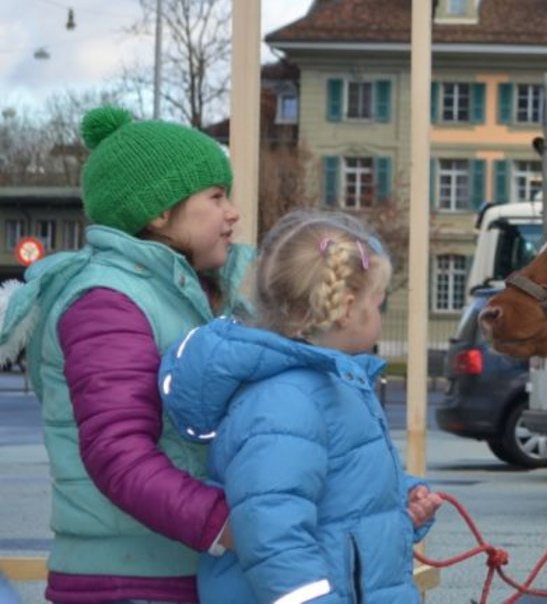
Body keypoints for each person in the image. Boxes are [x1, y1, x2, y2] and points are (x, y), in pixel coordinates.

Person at [0, 105, 247, 604]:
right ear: (159, 212)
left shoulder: (183, 293)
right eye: (216, 196)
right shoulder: (107, 302)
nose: (232, 212)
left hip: (173, 566)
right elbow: (118, 452)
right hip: (128, 580)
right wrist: (224, 524)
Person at [160, 209, 443, 603]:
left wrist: (399, 504)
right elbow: (273, 536)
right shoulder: (285, 402)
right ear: (346, 308)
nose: (379, 313)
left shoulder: (334, 385)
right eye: (378, 302)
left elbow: (338, 493)